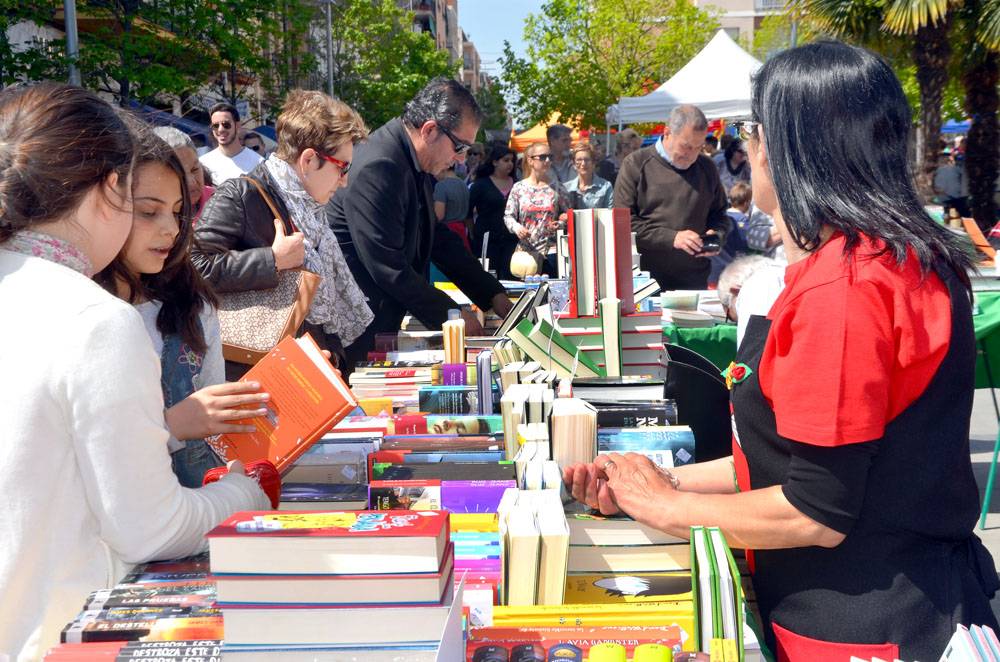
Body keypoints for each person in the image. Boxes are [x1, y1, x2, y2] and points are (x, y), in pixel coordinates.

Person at [564, 41, 999, 660]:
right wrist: (661, 480)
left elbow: (814, 510)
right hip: (890, 600)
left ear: (793, 145)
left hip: (860, 621)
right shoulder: (890, 257)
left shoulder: (846, 287)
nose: (748, 147)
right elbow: (796, 461)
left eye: (751, 129)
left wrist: (666, 506)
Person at [0, 83, 269, 661]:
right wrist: (247, 495)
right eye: (142, 206)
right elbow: (150, 527)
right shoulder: (95, 319)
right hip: (59, 632)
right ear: (112, 188)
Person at [95, 125, 269, 488]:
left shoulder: (194, 303)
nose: (170, 229)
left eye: (177, 212)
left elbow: (216, 408)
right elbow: (87, 456)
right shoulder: (82, 315)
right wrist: (172, 425)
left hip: (199, 510)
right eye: (148, 212)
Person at [327, 77, 513, 367]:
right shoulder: (380, 166)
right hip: (353, 334)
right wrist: (453, 316)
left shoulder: (409, 158)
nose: (461, 160)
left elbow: (437, 238)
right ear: (429, 130)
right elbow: (388, 267)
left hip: (377, 320)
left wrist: (491, 293)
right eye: (460, 147)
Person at [193, 90, 373, 377]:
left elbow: (318, 308)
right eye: (342, 167)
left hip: (299, 375)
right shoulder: (241, 195)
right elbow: (193, 267)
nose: (345, 180)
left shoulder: (307, 206)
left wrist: (332, 360)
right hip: (251, 379)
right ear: (309, 160)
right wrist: (272, 260)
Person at [614, 104, 728, 290]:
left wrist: (716, 236)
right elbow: (623, 223)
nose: (691, 155)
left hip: (694, 279)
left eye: (698, 147)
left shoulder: (706, 167)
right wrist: (671, 238)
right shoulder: (636, 164)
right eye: (686, 146)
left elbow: (720, 215)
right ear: (667, 133)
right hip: (645, 281)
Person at [504, 141, 570, 278]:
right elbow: (508, 216)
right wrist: (517, 228)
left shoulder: (558, 188)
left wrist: (561, 223)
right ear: (530, 160)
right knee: (526, 294)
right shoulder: (519, 188)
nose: (547, 161)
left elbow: (569, 215)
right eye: (542, 157)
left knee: (550, 295)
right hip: (526, 253)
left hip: (550, 251)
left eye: (550, 157)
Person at [468, 143, 517, 280]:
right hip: (487, 240)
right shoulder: (481, 185)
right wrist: (473, 233)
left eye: (512, 161)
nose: (510, 164)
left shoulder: (517, 184)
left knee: (511, 276)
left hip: (510, 239)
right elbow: (468, 212)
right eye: (506, 160)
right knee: (488, 276)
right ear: (495, 162)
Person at [152, 126, 214, 220]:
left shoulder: (220, 201)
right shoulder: (146, 212)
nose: (191, 182)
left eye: (195, 169)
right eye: (180, 174)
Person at [198, 102, 263, 184]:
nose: (220, 129)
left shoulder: (258, 163)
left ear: (237, 126)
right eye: (215, 126)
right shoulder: (203, 163)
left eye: (226, 125)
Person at [709, 181, 752, 286]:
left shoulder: (720, 218)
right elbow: (746, 243)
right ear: (747, 203)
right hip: (730, 269)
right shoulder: (742, 220)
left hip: (712, 270)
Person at [433, 163, 472, 252]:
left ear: (443, 168)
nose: (434, 175)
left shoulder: (441, 186)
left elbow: (439, 215)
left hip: (446, 233)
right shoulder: (463, 185)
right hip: (462, 230)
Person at [564, 142, 614, 210]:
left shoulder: (605, 187)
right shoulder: (565, 189)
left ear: (594, 163)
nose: (583, 164)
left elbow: (609, 214)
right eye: (579, 160)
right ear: (574, 164)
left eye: (587, 160)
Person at [934, 150, 970, 219]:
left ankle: (946, 217)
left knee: (946, 212)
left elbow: (935, 184)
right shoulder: (956, 169)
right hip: (955, 197)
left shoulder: (938, 170)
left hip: (942, 197)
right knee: (965, 213)